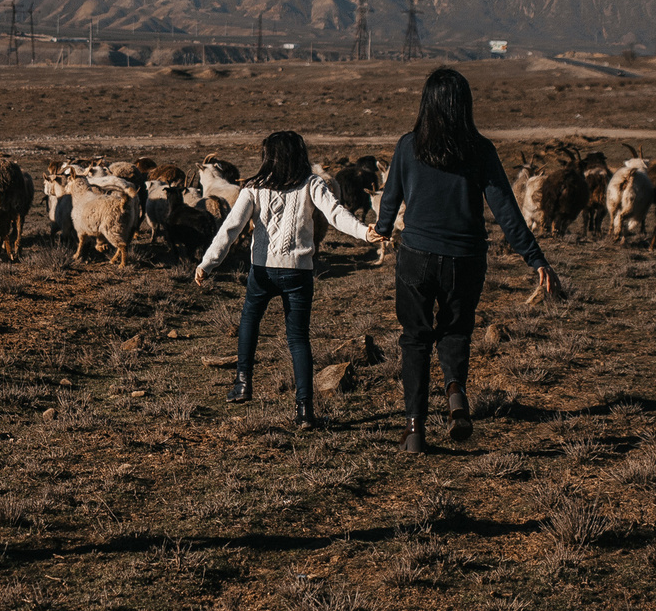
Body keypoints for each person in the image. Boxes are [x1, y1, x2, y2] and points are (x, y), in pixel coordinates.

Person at [374, 66, 560, 452]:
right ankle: (456, 394)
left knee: (415, 340)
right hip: (465, 257)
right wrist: (535, 258)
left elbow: (390, 199)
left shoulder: (408, 145)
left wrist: (383, 225)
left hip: (416, 256)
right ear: (464, 106)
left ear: (427, 104)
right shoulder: (481, 150)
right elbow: (506, 210)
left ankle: (414, 429)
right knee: (456, 331)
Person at [194, 129, 382, 432]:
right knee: (298, 339)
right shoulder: (312, 184)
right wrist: (364, 232)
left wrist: (208, 262)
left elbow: (231, 226)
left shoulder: (254, 186)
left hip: (262, 270)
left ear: (268, 157)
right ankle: (305, 411)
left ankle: (243, 384)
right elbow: (335, 214)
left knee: (249, 322)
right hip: (298, 272)